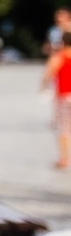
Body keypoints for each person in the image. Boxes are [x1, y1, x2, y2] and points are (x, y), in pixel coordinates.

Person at [43, 38, 71, 169]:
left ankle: (64, 158)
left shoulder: (59, 57)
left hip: (64, 97)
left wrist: (43, 87)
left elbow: (48, 73)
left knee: (63, 128)